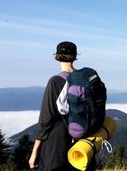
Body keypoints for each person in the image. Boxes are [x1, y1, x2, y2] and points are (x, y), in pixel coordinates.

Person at [29, 41, 79, 170]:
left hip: (57, 144)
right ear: (75, 56)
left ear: (56, 56)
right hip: (81, 140)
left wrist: (34, 152)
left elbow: (46, 119)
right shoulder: (84, 79)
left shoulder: (55, 81)